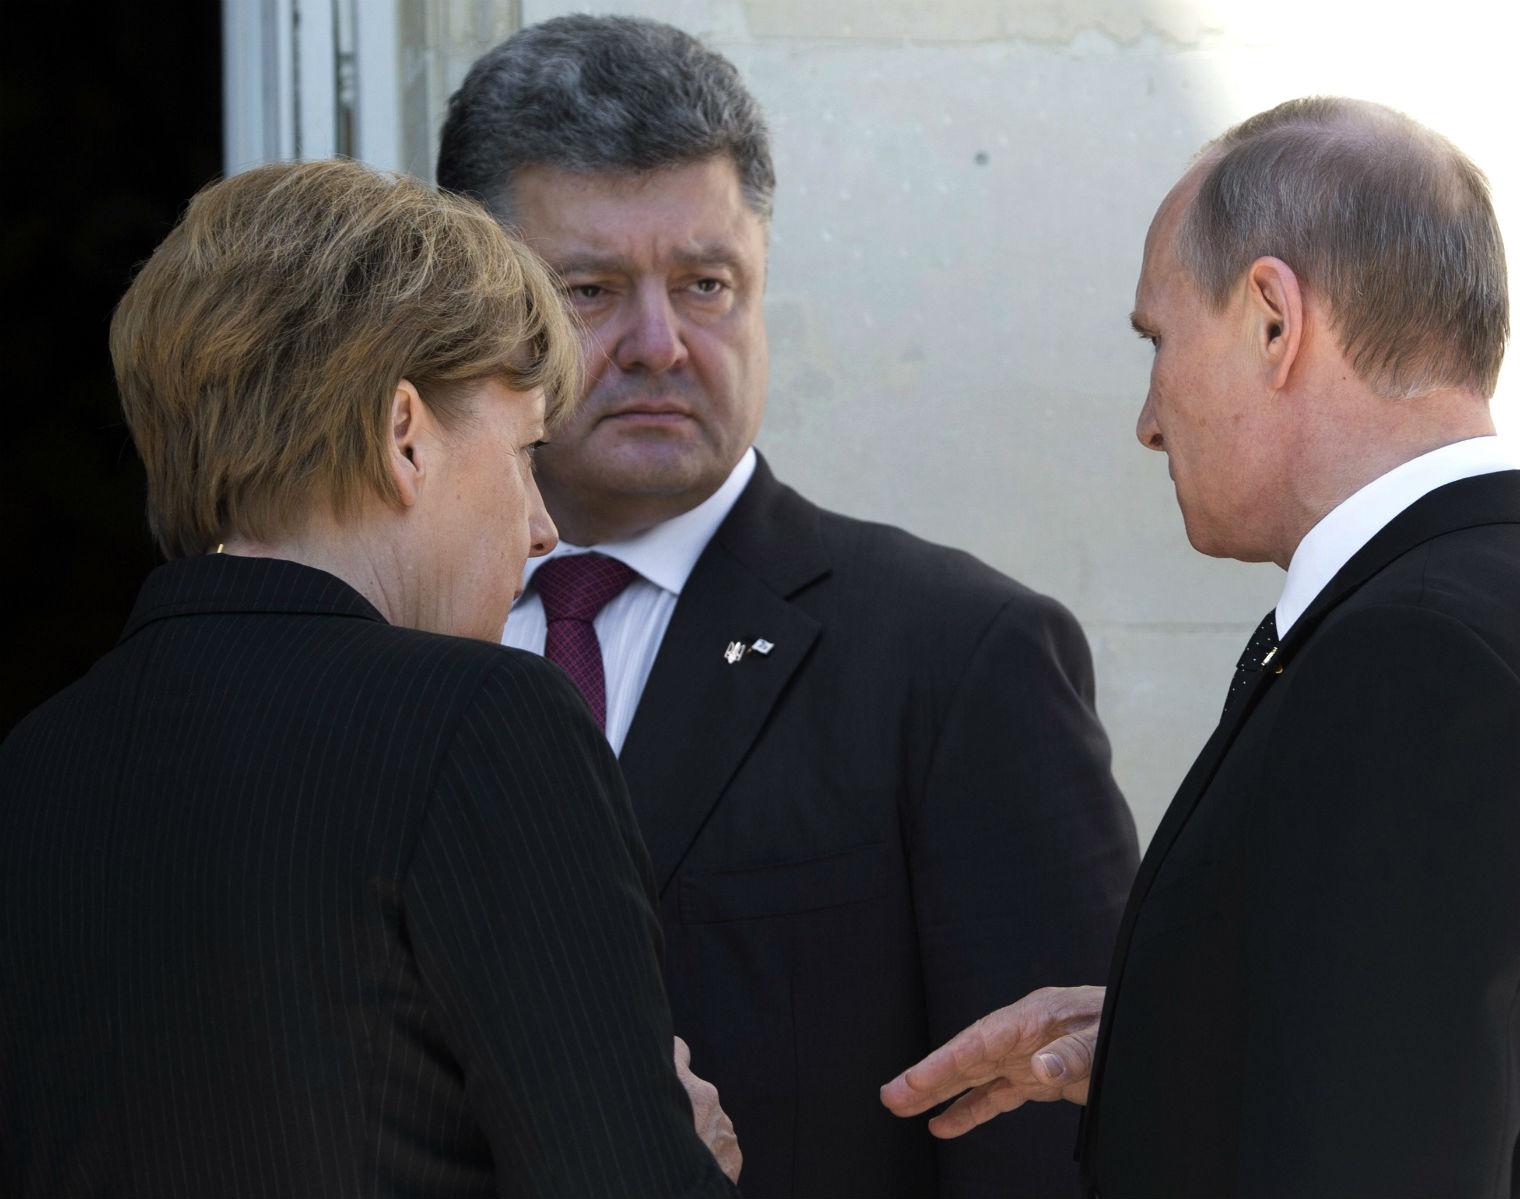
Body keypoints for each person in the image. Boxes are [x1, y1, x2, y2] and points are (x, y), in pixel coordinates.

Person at [437, 15, 1139, 1198]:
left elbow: (1052, 1145)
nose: (660, 343)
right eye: (591, 290)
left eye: (705, 284)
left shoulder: (956, 659)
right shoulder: (375, 642)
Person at [0, 159, 740, 1198]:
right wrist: (687, 1154)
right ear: (404, 435)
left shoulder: (37, 763)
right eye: (524, 451)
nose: (541, 526)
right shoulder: (484, 719)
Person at [882, 97, 1520, 1197]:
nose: (1146, 417)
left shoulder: (1409, 654)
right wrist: (1174, 1031)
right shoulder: (1454, 607)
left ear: (1273, 320)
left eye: (1157, 340)